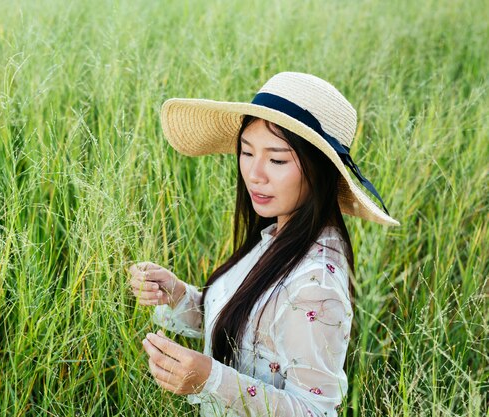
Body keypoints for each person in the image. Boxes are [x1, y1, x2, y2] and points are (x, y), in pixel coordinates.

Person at [127, 72, 399, 417]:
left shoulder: (315, 287)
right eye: (246, 152)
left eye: (277, 159)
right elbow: (249, 331)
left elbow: (315, 411)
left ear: (319, 168)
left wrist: (210, 381)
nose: (255, 173)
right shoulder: (279, 236)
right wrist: (178, 295)